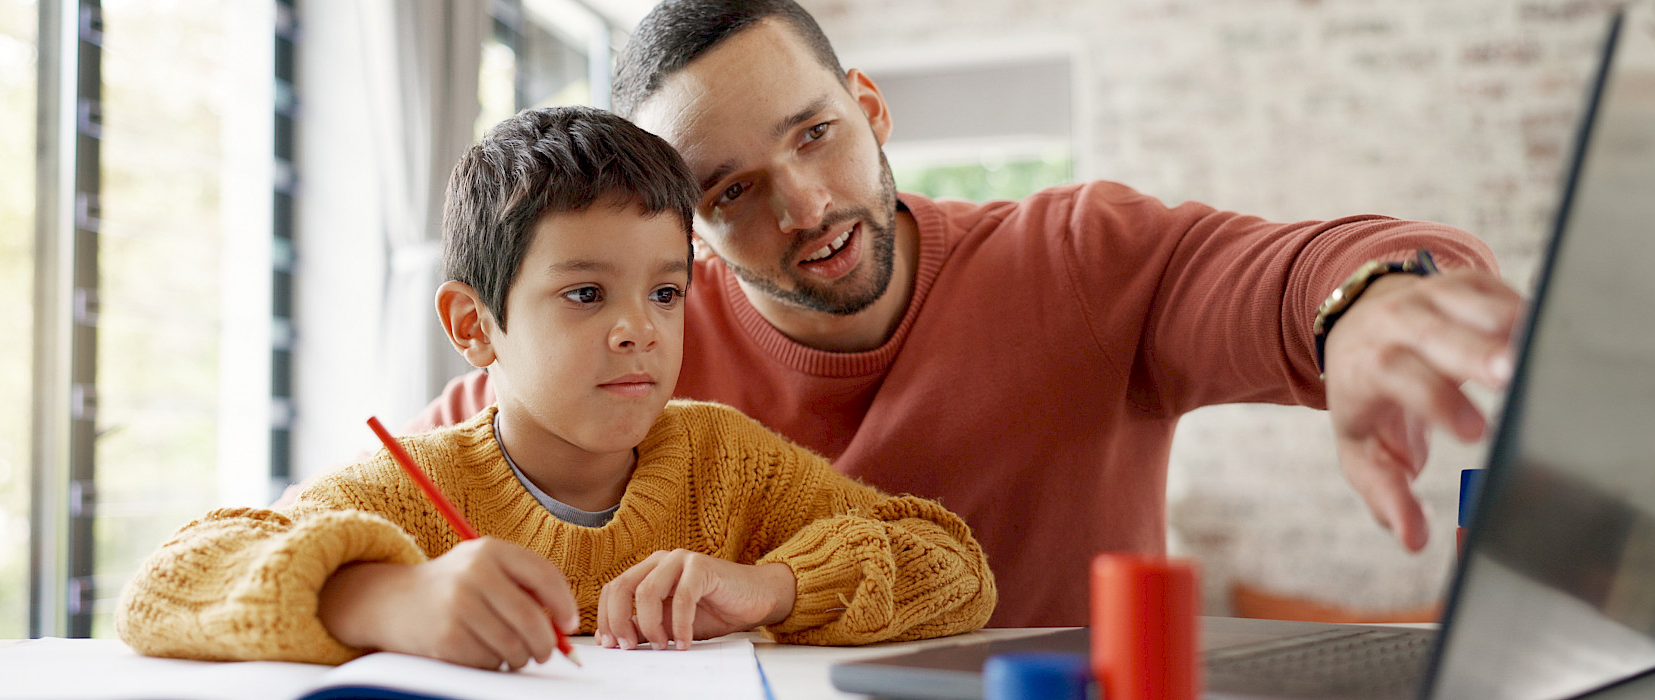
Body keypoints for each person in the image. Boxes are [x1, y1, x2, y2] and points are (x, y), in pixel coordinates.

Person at [405, 0, 1524, 628]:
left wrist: (1368, 304)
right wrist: (401, 593)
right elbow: (380, 500)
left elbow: (1304, 272)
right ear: (690, 228)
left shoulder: (1075, 259)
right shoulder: (634, 347)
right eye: (732, 191)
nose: (806, 206)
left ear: (871, 109)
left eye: (816, 135)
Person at [117, 106, 995, 670]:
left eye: (665, 293)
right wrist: (383, 599)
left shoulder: (728, 462)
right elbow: (163, 588)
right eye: (585, 295)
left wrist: (769, 587)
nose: (638, 329)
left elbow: (954, 570)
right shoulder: (407, 491)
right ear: (473, 325)